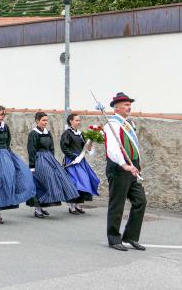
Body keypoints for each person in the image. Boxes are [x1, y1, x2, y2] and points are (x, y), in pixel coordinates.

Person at [103, 92, 147, 252]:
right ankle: (114, 238)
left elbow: (133, 147)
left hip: (132, 167)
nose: (129, 107)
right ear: (117, 107)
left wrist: (136, 165)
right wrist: (124, 164)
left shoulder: (127, 124)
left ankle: (131, 237)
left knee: (140, 201)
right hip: (119, 168)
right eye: (126, 104)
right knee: (118, 204)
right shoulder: (112, 124)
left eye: (129, 104)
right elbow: (113, 149)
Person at [26, 112, 79, 218]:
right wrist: (32, 166)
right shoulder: (33, 133)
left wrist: (52, 160)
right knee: (44, 181)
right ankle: (37, 209)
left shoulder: (48, 132)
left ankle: (43, 205)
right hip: (39, 159)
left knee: (61, 177)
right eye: (43, 120)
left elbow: (51, 148)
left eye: (46, 120)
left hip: (49, 158)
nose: (45, 122)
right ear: (37, 121)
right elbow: (31, 150)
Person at [60, 113, 100, 215]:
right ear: (71, 121)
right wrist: (73, 157)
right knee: (75, 183)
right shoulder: (67, 133)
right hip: (72, 161)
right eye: (77, 120)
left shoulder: (80, 134)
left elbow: (85, 147)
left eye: (79, 120)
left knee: (85, 180)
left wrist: (91, 141)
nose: (79, 122)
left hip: (81, 160)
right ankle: (72, 206)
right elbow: (64, 148)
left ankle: (78, 205)